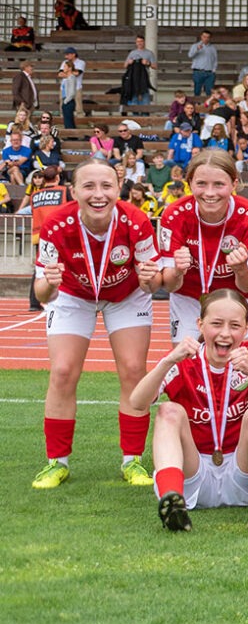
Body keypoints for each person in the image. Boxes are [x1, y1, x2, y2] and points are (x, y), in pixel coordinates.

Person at [31, 158, 161, 490]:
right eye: (88, 186)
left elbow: (153, 283)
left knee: (133, 369)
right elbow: (40, 290)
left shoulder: (137, 221)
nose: (98, 194)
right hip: (73, 293)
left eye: (106, 185)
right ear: (73, 191)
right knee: (62, 371)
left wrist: (150, 279)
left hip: (126, 294)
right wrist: (51, 282)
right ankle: (56, 463)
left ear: (119, 188)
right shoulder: (56, 225)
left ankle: (132, 460)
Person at [133, 289, 248, 531]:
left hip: (240, 471)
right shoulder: (185, 358)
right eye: (216, 324)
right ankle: (172, 500)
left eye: (235, 325)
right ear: (200, 325)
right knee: (168, 410)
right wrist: (168, 360)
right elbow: (138, 402)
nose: (225, 333)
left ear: (246, 329)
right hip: (195, 472)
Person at [158, 151, 248, 344]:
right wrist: (177, 271)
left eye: (219, 184)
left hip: (238, 297)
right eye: (201, 184)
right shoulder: (174, 214)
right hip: (189, 296)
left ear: (234, 184)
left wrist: (241, 269)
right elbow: (170, 285)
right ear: (189, 183)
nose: (209, 193)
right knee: (186, 362)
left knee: (242, 365)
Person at [187, 30, 218, 98]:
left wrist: (214, 70)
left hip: (209, 73)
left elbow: (215, 60)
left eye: (208, 37)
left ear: (210, 38)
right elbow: (190, 55)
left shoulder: (213, 48)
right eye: (204, 37)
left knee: (209, 91)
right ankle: (197, 106)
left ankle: (209, 106)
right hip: (198, 72)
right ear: (201, 37)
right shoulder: (195, 46)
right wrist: (197, 49)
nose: (206, 38)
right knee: (197, 91)